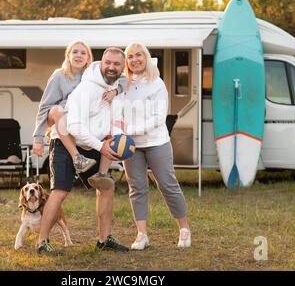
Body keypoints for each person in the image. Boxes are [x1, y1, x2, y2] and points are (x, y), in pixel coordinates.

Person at [36, 47, 129, 254]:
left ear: (123, 68)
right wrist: (101, 146)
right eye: (108, 63)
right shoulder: (86, 88)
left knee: (106, 187)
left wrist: (116, 137)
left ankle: (104, 240)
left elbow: (116, 119)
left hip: (93, 142)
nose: (111, 67)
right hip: (66, 140)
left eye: (117, 64)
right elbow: (75, 127)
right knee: (60, 191)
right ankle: (42, 242)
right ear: (101, 63)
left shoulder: (118, 90)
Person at [116, 42, 191, 250]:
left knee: (167, 184)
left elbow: (159, 118)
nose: (135, 60)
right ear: (126, 61)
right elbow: (117, 111)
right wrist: (117, 128)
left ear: (146, 57)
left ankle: (184, 229)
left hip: (156, 142)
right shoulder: (122, 84)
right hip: (130, 146)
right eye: (130, 56)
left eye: (139, 55)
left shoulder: (156, 83)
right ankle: (142, 235)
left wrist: (130, 130)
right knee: (137, 188)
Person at [32, 40, 120, 174]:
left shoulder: (94, 75)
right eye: (75, 52)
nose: (79, 55)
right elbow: (44, 107)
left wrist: (115, 91)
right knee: (57, 109)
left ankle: (102, 174)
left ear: (88, 58)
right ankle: (77, 157)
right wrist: (38, 139)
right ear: (68, 55)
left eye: (83, 53)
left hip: (81, 120)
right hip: (60, 117)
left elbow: (123, 78)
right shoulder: (59, 76)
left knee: (109, 121)